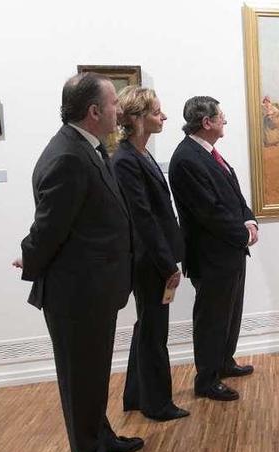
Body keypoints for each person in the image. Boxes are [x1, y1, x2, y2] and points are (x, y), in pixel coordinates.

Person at [13, 73, 141, 452]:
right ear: (94, 112)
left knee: (93, 374)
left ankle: (101, 439)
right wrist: (30, 257)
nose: (118, 111)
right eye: (113, 104)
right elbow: (49, 226)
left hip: (94, 289)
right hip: (76, 295)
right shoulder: (68, 156)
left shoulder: (86, 149)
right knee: (81, 380)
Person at [168, 97, 259, 402]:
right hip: (211, 254)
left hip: (229, 249)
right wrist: (243, 234)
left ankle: (224, 362)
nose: (224, 121)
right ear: (206, 122)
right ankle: (206, 379)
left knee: (230, 312)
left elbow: (234, 194)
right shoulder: (187, 158)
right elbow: (208, 212)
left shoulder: (208, 154)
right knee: (212, 317)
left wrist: (250, 220)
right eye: (221, 116)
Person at [112, 86, 189, 422]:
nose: (164, 117)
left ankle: (136, 396)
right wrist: (166, 263)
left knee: (147, 328)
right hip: (149, 261)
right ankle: (157, 404)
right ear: (138, 118)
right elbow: (142, 218)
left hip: (154, 256)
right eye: (157, 112)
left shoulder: (139, 154)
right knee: (154, 333)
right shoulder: (126, 159)